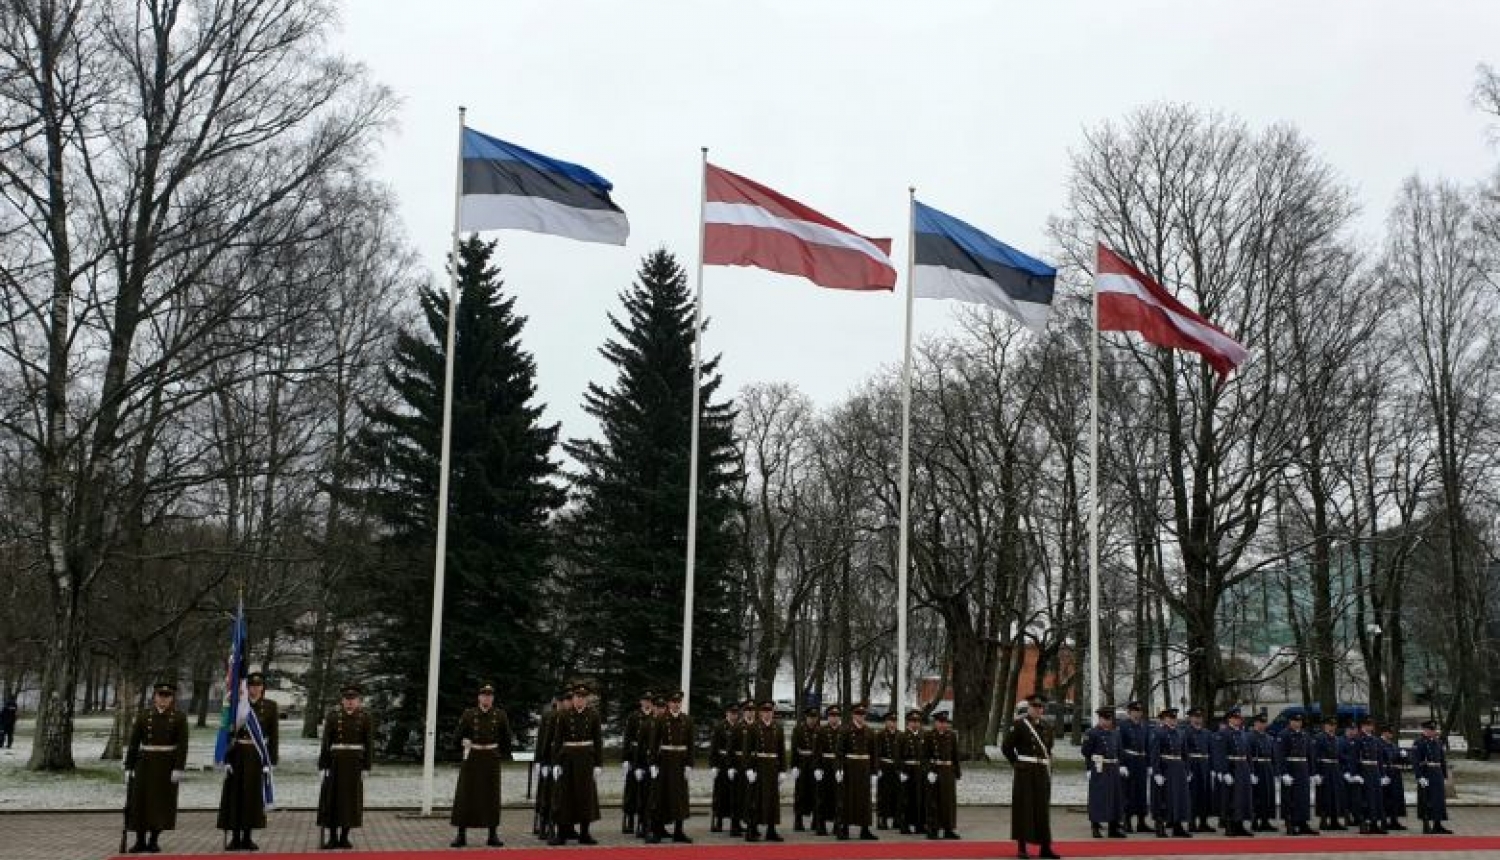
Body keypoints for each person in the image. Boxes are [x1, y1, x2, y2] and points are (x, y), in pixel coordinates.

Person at [124, 681, 189, 854]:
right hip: (145, 764)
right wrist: (128, 766)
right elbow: (134, 743)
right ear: (154, 697)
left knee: (160, 804)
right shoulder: (144, 716)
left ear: (172, 698)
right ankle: (139, 840)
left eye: (167, 696)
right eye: (160, 695)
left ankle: (153, 839)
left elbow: (182, 745)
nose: (163, 699)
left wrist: (178, 768)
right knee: (140, 803)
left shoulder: (179, 717)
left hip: (166, 765)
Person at [217, 671, 279, 851]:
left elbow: (273, 735)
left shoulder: (270, 706)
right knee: (235, 796)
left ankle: (247, 837)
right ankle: (235, 837)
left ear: (263, 687)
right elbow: (227, 733)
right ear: (246, 687)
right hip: (237, 754)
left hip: (257, 756)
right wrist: (226, 757)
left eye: (258, 685)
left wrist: (271, 761)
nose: (255, 689)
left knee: (252, 798)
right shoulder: (236, 705)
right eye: (251, 685)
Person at [450, 681, 513, 847]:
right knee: (466, 796)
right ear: (479, 697)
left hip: (491, 759)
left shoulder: (500, 715)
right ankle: (461, 835)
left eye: (490, 696)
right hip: (472, 759)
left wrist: (501, 755)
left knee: (491, 797)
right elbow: (456, 739)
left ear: (493, 698)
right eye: (484, 695)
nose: (487, 698)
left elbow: (507, 739)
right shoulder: (469, 715)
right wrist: (463, 742)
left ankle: (492, 835)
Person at [1001, 694, 1059, 859]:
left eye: (1040, 707)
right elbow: (1006, 747)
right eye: (1034, 706)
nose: (1038, 710)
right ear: (1029, 708)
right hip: (1025, 773)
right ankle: (1022, 848)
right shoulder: (1019, 725)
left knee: (1042, 809)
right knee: (1024, 809)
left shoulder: (1047, 727)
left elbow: (1048, 748)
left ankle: (1045, 848)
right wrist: (1017, 764)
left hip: (1041, 772)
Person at [316, 683, 373, 850]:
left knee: (350, 801)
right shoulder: (333, 717)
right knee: (332, 800)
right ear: (342, 701)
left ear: (358, 701)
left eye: (353, 699)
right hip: (335, 763)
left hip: (354, 763)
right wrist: (322, 765)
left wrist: (366, 767)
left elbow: (369, 743)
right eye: (347, 699)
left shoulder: (365, 717)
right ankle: (332, 837)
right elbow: (326, 742)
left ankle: (345, 837)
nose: (349, 702)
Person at [547, 685, 602, 845]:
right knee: (565, 796)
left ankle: (585, 833)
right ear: (573, 699)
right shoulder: (564, 715)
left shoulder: (593, 715)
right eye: (577, 697)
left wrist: (598, 764)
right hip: (568, 758)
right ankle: (562, 833)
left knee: (586, 797)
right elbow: (557, 740)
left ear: (587, 699)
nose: (580, 700)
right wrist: (556, 763)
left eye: (583, 697)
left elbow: (598, 740)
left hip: (586, 759)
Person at [646, 691, 694, 844]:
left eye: (678, 701)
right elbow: (654, 744)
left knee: (680, 798)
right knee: (661, 797)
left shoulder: (687, 720)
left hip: (680, 762)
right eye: (673, 701)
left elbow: (691, 745)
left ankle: (678, 831)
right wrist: (653, 763)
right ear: (669, 703)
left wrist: (689, 764)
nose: (676, 704)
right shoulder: (661, 719)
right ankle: (657, 831)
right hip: (665, 761)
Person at [742, 700, 786, 842]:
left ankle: (771, 830)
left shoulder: (778, 728)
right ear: (760, 713)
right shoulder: (753, 727)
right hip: (758, 767)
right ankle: (752, 829)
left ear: (773, 713)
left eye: (770, 711)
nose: (767, 714)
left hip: (772, 767)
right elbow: (747, 751)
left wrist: (783, 770)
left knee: (772, 800)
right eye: (765, 712)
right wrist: (748, 769)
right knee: (756, 799)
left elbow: (781, 751)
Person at [1081, 706, 1126, 839]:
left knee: (1114, 798)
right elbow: (1086, 752)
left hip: (1113, 767)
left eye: (1109, 719)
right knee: (1098, 798)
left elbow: (1119, 750)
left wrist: (1122, 765)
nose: (1107, 721)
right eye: (1105, 719)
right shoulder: (1092, 733)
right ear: (1100, 718)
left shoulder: (1115, 733)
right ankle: (1095, 826)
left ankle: (1113, 827)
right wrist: (1090, 767)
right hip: (1100, 768)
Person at [1150, 708, 1192, 838]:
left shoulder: (1180, 733)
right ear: (1165, 719)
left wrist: (1187, 770)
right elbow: (1154, 753)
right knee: (1163, 798)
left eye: (1175, 718)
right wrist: (1156, 772)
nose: (1173, 720)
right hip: (1165, 768)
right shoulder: (1158, 732)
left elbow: (1185, 753)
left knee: (1179, 798)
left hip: (1179, 768)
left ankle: (1177, 826)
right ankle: (1160, 826)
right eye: (1170, 718)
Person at [1212, 707, 1253, 837]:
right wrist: (1224, 772)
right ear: (1229, 719)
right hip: (1231, 767)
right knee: (1230, 798)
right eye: (1235, 718)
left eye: (1239, 718)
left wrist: (1250, 770)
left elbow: (1248, 754)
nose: (1238, 720)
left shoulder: (1243, 733)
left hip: (1243, 766)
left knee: (1243, 798)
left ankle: (1240, 825)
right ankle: (1229, 825)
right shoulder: (1223, 733)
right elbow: (1219, 754)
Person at [1273, 711, 1316, 835]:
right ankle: (1290, 823)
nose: (1298, 724)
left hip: (1303, 767)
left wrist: (1312, 772)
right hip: (1290, 767)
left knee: (1303, 797)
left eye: (1299, 721)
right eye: (1295, 721)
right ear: (1290, 722)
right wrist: (1283, 773)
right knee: (1289, 797)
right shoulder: (1283, 734)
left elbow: (1310, 754)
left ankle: (1303, 822)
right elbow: (1279, 755)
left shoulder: (1305, 735)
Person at [532, 688, 565, 841]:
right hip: (549, 760)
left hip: (562, 760)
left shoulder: (566, 717)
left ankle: (559, 826)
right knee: (547, 794)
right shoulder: (550, 716)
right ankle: (544, 825)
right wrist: (540, 761)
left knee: (558, 795)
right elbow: (543, 740)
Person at [1411, 720, 1452, 834]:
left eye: (1434, 730)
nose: (1433, 732)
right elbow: (1415, 761)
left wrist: (1444, 775)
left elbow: (1442, 759)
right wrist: (1419, 777)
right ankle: (1426, 823)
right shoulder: (1419, 742)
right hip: (1426, 773)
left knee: (1438, 799)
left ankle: (1437, 824)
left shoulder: (1438, 742)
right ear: (1425, 730)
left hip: (1437, 773)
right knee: (1426, 800)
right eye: (1430, 730)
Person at [621, 690, 652, 835]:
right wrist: (626, 759)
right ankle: (629, 818)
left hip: (649, 756)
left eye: (650, 700)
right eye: (645, 700)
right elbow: (627, 738)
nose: (647, 702)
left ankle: (643, 820)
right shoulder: (634, 717)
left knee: (646, 791)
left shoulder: (655, 716)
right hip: (635, 755)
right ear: (641, 702)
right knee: (632, 789)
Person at [1351, 716, 1387, 834]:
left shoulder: (1375, 740)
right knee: (1365, 798)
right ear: (1362, 726)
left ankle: (1374, 823)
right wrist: (1355, 773)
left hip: (1375, 770)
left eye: (1371, 725)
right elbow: (1354, 758)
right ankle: (1364, 823)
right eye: (1367, 725)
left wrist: (1383, 774)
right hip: (1364, 770)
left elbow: (1380, 759)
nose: (1369, 727)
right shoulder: (1358, 739)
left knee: (1376, 798)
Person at [1118, 702, 1150, 833]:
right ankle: (1127, 821)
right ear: (1129, 712)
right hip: (1129, 761)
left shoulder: (1144, 726)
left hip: (1141, 761)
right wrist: (1122, 764)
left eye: (1140, 711)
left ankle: (1141, 821)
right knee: (1129, 792)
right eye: (1135, 711)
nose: (1138, 713)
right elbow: (1119, 747)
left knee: (1141, 792)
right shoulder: (1123, 726)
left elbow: (1148, 746)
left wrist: (1149, 764)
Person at [710, 701, 741, 833]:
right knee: (721, 794)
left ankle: (736, 822)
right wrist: (713, 765)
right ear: (727, 713)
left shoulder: (740, 727)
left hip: (736, 763)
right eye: (732, 713)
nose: (734, 716)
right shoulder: (720, 727)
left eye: (736, 713)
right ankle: (719, 822)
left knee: (736, 794)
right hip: (722, 763)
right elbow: (714, 748)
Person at [1313, 716, 1347, 831]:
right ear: (1325, 726)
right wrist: (1316, 773)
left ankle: (1334, 820)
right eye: (1329, 725)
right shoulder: (1319, 738)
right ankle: (1323, 820)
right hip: (1324, 768)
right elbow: (1314, 756)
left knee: (1335, 795)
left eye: (1334, 725)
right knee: (1324, 795)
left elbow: (1340, 756)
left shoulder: (1337, 739)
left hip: (1335, 768)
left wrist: (1345, 768)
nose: (1332, 727)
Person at [812, 704, 842, 836]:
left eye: (836, 716)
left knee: (838, 797)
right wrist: (817, 767)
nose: (834, 718)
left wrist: (842, 768)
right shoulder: (821, 731)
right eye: (831, 716)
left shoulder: (843, 731)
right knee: (822, 797)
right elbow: (816, 751)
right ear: (828, 717)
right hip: (824, 765)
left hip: (837, 766)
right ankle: (821, 825)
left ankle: (838, 824)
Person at [1183, 707, 1215, 832]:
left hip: (1205, 765)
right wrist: (1187, 769)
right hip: (1193, 765)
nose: (1198, 719)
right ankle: (1191, 822)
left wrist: (1212, 768)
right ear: (1190, 718)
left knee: (1205, 794)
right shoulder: (1186, 732)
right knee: (1193, 794)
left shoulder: (1207, 733)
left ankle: (1203, 821)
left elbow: (1211, 751)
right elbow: (1184, 752)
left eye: (1200, 717)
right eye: (1195, 717)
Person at [789, 707, 820, 831]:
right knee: (800, 793)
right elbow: (794, 749)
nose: (812, 720)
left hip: (815, 763)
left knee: (816, 792)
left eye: (814, 717)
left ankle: (816, 820)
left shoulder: (819, 730)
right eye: (810, 717)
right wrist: (794, 766)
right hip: (802, 763)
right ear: (806, 718)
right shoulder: (799, 730)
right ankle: (798, 820)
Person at [896, 710, 926, 835]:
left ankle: (919, 824)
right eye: (913, 721)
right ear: (908, 722)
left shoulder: (923, 736)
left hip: (920, 770)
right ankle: (905, 825)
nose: (915, 724)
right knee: (907, 799)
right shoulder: (902, 736)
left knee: (920, 798)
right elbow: (897, 755)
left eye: (917, 721)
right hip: (907, 770)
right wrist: (900, 771)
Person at [728, 698, 755, 837]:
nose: (750, 713)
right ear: (743, 712)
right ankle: (735, 825)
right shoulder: (738, 727)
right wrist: (731, 766)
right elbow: (731, 749)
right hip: (739, 765)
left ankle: (751, 823)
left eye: (752, 710)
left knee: (751, 797)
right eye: (748, 710)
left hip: (753, 765)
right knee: (738, 796)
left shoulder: (756, 726)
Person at [1248, 714, 1277, 832]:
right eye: (1260, 722)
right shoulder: (1249, 737)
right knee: (1256, 796)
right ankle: (1254, 820)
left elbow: (1273, 756)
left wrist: (1275, 770)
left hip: (1267, 767)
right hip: (1257, 767)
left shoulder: (1269, 738)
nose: (1262, 725)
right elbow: (1248, 756)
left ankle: (1265, 821)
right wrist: (1251, 772)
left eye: (1264, 723)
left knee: (1268, 795)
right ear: (1255, 723)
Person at [1380, 725, 1408, 831]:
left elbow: (1400, 760)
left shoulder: (1392, 744)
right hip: (1386, 773)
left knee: (1396, 798)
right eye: (1389, 732)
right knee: (1386, 798)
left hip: (1395, 774)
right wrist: (1382, 775)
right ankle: (1384, 820)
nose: (1391, 735)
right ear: (1384, 733)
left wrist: (1403, 756)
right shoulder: (1379, 743)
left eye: (1391, 733)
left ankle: (1394, 820)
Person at [875, 711, 900, 830]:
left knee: (897, 795)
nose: (893, 724)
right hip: (884, 767)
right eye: (890, 721)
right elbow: (876, 753)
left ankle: (896, 819)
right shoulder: (880, 735)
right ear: (886, 722)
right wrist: (878, 768)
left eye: (894, 721)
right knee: (884, 795)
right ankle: (882, 819)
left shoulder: (900, 735)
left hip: (896, 768)